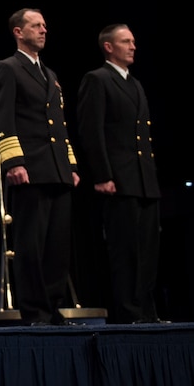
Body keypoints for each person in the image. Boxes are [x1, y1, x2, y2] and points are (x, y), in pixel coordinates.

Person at [0, 8, 79, 326]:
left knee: (57, 245)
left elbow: (59, 125)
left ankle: (52, 307)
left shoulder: (49, 75)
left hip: (56, 169)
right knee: (31, 245)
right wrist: (13, 161)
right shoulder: (7, 69)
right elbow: (2, 118)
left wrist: (70, 165)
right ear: (18, 32)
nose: (42, 30)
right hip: (30, 169)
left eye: (44, 25)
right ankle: (34, 311)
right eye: (35, 25)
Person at [75, 24, 163, 324]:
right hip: (120, 179)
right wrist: (103, 175)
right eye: (126, 41)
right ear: (109, 47)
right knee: (126, 250)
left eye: (134, 41)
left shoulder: (135, 84)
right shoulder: (97, 80)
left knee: (148, 250)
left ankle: (147, 311)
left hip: (143, 180)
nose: (133, 46)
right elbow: (92, 131)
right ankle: (130, 312)